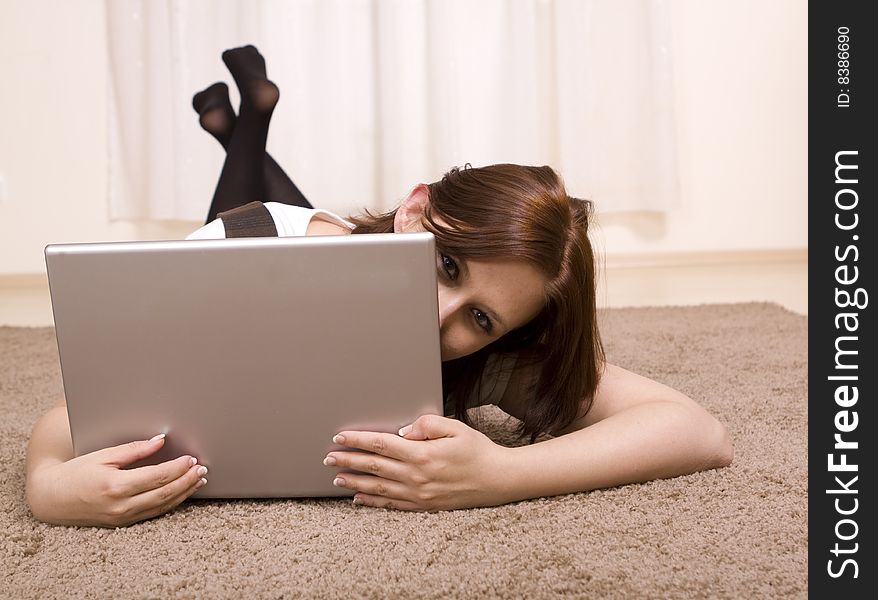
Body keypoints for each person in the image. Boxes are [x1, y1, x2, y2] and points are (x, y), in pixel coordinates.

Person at [25, 46, 732, 526]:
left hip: (335, 234)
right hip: (255, 236)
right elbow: (65, 427)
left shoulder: (477, 356)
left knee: (272, 191)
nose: (438, 316)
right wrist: (50, 490)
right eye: (446, 265)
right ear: (417, 209)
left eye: (481, 318)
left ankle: (240, 125)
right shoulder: (246, 278)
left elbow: (697, 430)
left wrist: (501, 477)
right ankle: (243, 128)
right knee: (246, 213)